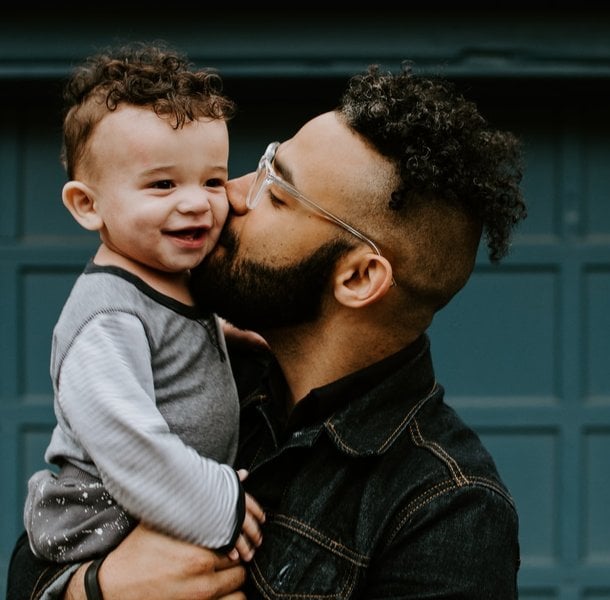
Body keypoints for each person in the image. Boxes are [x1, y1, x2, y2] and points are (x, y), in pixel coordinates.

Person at [8, 60, 526, 599]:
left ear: (358, 276)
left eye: (276, 194)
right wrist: (96, 589)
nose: (226, 195)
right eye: (261, 166)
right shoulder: (204, 368)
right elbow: (38, 551)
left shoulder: (446, 508)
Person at [20, 42, 264, 568]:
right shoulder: (107, 318)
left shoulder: (172, 277)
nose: (197, 201)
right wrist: (218, 504)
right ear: (88, 205)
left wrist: (222, 334)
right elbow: (127, 441)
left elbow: (170, 338)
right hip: (102, 519)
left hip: (157, 507)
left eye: (213, 181)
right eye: (163, 184)